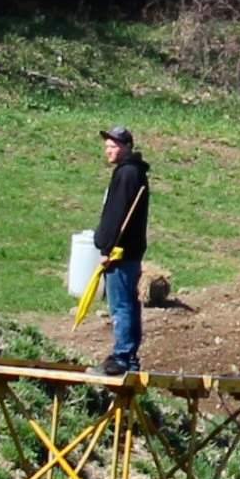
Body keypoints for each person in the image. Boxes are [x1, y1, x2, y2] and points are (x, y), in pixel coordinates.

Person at [87, 126, 151, 376]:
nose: (108, 150)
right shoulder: (134, 173)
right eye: (107, 146)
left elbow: (117, 214)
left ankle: (122, 358)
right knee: (129, 305)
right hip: (130, 249)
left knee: (121, 305)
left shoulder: (126, 174)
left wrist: (106, 246)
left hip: (121, 251)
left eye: (113, 146)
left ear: (126, 147)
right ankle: (129, 358)